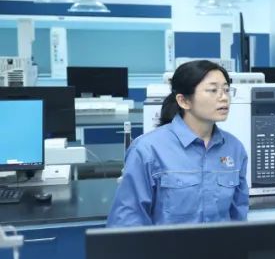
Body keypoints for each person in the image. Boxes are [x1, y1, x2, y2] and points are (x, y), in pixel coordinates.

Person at [107, 60, 249, 227]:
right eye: (213, 90)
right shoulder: (147, 150)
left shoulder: (234, 149)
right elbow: (127, 222)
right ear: (184, 101)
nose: (224, 97)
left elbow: (238, 220)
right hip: (166, 245)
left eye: (226, 90)